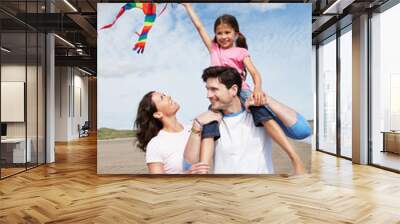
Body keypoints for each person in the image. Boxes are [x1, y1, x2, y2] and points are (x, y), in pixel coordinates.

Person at [182, 3, 311, 166]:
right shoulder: (214, 49)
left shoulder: (241, 52)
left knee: (262, 113)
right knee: (210, 123)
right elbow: (199, 27)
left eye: (227, 32)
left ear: (236, 34)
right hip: (221, 95)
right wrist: (188, 6)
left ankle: (294, 157)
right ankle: (204, 165)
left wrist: (257, 90)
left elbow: (255, 73)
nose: (223, 36)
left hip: (242, 91)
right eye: (219, 33)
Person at [183, 66, 305, 174]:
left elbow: (302, 131)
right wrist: (197, 125)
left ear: (234, 90)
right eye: (207, 89)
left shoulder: (258, 113)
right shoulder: (210, 121)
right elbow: (188, 165)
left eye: (214, 89)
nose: (208, 95)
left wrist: (265, 99)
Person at [134, 91, 221, 174]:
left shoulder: (195, 128)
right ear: (158, 114)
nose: (168, 96)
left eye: (164, 94)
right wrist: (186, 174)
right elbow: (158, 185)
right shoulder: (155, 144)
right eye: (162, 97)